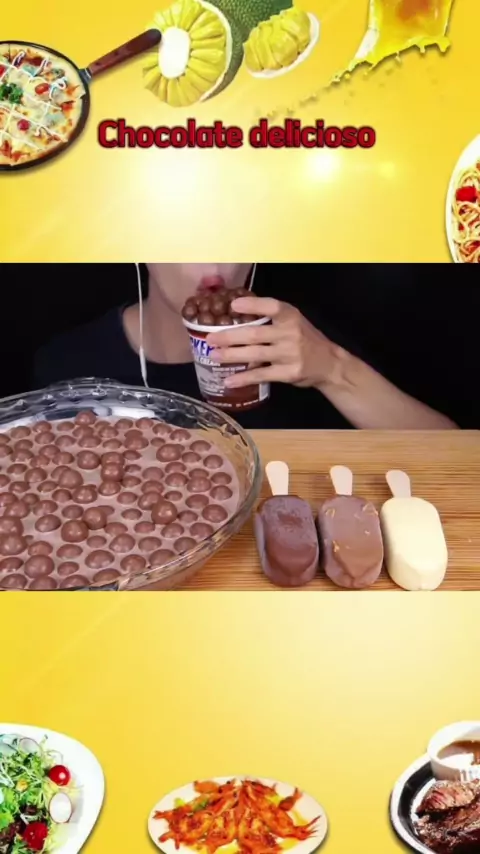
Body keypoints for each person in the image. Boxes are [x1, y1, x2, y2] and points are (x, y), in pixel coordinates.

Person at [33, 263, 462, 430]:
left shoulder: (302, 344)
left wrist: (334, 371)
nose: (215, 264)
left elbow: (456, 460)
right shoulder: (67, 364)